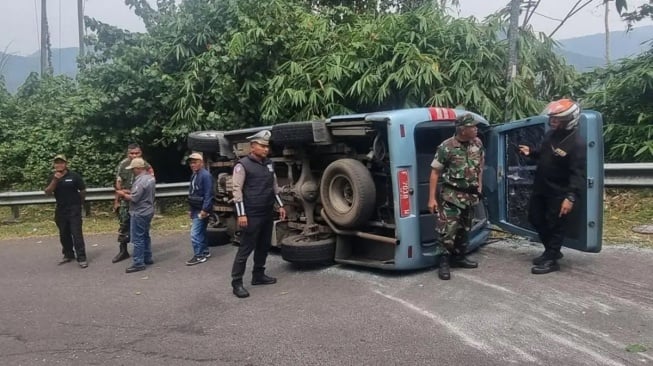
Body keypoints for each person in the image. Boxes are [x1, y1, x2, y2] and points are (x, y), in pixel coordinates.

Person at [519, 98, 585, 275]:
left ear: (569, 119)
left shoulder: (576, 143)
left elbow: (578, 174)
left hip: (559, 192)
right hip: (542, 188)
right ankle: (552, 251)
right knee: (535, 218)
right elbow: (545, 155)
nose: (553, 121)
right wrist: (531, 153)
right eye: (552, 118)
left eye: (557, 119)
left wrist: (570, 197)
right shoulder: (551, 135)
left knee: (556, 225)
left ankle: (551, 259)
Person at [230, 130, 287, 298]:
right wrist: (241, 214)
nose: (265, 149)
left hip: (267, 212)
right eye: (262, 146)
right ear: (253, 146)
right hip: (251, 214)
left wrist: (281, 205)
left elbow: (273, 186)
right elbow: (236, 190)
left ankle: (258, 275)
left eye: (267, 146)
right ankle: (237, 282)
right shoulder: (242, 165)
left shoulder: (269, 164)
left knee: (263, 246)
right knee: (246, 248)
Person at [428, 113, 484, 280]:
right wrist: (431, 198)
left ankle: (459, 257)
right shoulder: (446, 147)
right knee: (447, 231)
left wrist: (479, 186)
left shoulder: (477, 143)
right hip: (451, 196)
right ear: (462, 130)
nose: (476, 129)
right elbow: (435, 173)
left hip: (470, 196)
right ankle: (444, 262)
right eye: (472, 127)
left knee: (464, 229)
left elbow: (480, 164)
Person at [44, 154, 89, 268]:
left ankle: (82, 257)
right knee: (63, 233)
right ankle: (68, 254)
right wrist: (55, 179)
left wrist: (80, 202)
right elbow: (48, 192)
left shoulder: (74, 176)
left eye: (61, 162)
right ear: (54, 165)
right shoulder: (52, 177)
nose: (59, 164)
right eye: (57, 162)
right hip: (61, 209)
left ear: (66, 163)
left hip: (74, 208)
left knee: (76, 233)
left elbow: (82, 190)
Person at [111, 143, 154, 264]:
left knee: (141, 229)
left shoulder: (145, 166)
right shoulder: (123, 165)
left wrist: (127, 192)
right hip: (125, 201)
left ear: (141, 153)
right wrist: (117, 201)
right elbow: (118, 184)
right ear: (127, 153)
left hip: (139, 201)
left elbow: (149, 185)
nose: (134, 155)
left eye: (137, 153)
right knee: (123, 225)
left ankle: (143, 255)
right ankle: (123, 251)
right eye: (131, 153)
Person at [186, 152, 214, 266]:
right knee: (201, 231)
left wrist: (205, 210)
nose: (193, 165)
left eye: (195, 162)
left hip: (202, 208)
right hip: (195, 207)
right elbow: (192, 192)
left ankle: (199, 255)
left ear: (201, 163)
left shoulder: (205, 175)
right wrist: (190, 209)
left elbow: (209, 193)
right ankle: (205, 251)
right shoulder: (194, 175)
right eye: (191, 163)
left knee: (195, 233)